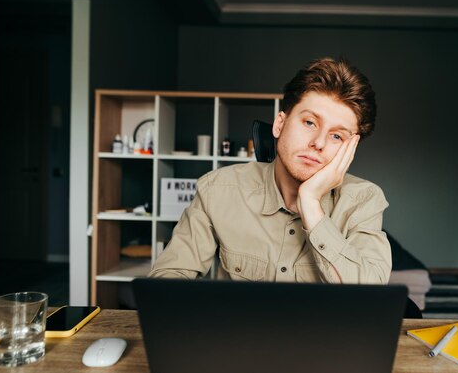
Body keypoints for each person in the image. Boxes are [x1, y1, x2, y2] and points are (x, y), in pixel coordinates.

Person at [149, 57, 391, 284]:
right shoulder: (218, 189)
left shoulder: (363, 199)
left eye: (336, 136)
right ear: (279, 124)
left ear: (350, 149)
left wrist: (310, 204)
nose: (318, 142)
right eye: (309, 122)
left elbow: (372, 291)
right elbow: (167, 278)